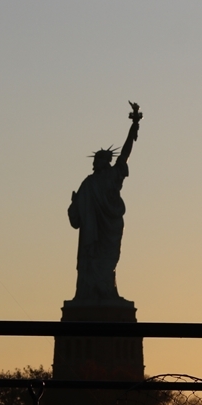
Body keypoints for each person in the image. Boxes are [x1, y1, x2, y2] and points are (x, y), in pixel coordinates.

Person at [68, 105, 141, 302]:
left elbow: (125, 153)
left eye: (98, 160)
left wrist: (133, 127)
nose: (94, 163)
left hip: (109, 228)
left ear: (105, 161)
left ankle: (106, 292)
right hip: (93, 233)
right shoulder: (88, 183)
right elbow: (76, 215)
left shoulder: (111, 175)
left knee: (108, 262)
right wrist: (75, 204)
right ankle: (93, 294)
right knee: (92, 262)